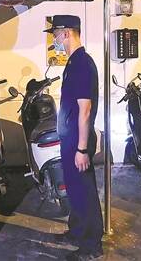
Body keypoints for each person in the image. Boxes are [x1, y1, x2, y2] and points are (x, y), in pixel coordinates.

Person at [44, 15, 104, 261]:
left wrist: (81, 149)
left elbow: (85, 110)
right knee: (74, 189)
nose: (54, 39)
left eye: (55, 34)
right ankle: (77, 232)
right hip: (71, 140)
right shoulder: (73, 62)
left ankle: (92, 245)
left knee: (84, 191)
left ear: (67, 33)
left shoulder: (82, 64)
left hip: (79, 142)